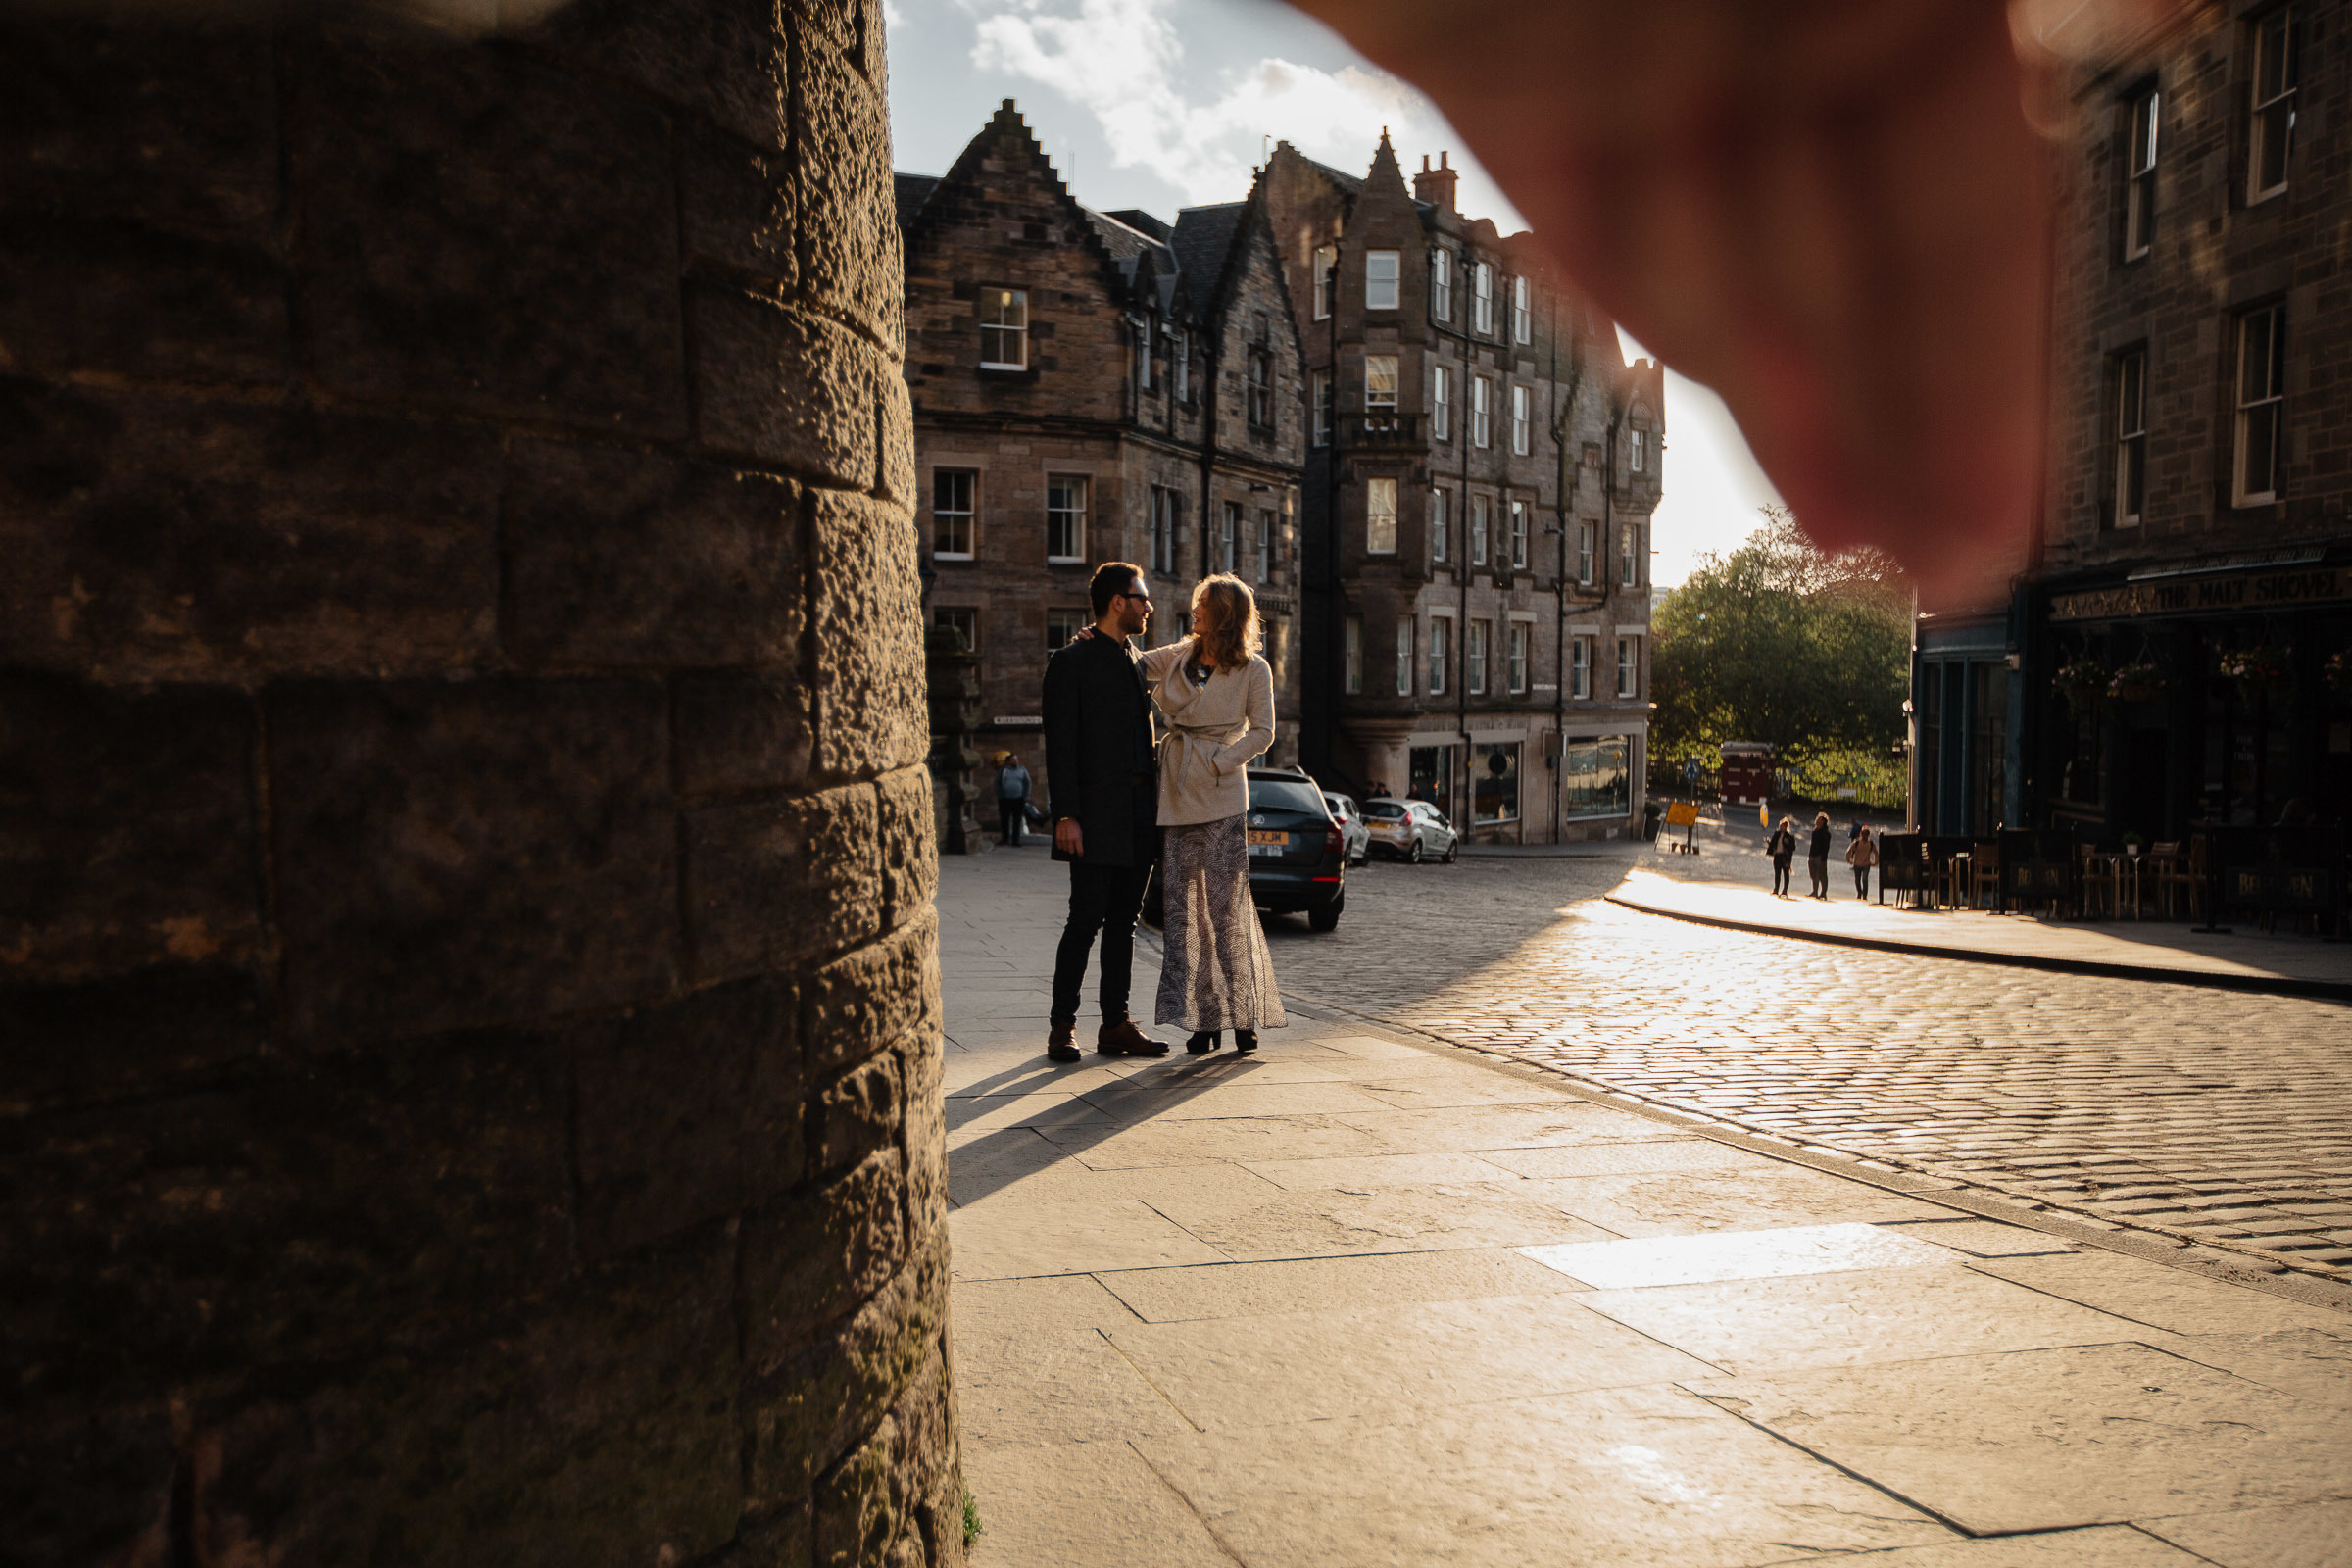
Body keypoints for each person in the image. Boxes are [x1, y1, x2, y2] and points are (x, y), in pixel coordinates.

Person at [1134, 574, 1286, 1056]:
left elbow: (1263, 732)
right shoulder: (1180, 654)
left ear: (1223, 613)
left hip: (1221, 795)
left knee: (1226, 910)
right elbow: (1132, 663)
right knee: (1184, 913)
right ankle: (1203, 1020)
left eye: (1201, 606)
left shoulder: (1254, 669)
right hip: (1176, 793)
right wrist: (1097, 636)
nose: (1192, 611)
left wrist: (1221, 760)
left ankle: (1243, 1015)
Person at [1040, 564, 1172, 1064]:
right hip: (1093, 815)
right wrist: (1066, 815)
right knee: (1085, 919)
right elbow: (1061, 746)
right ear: (1118, 601)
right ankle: (1062, 1026)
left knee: (1125, 922)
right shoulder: (1071, 661)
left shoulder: (1137, 660)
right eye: (1141, 598)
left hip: (1141, 810)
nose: (1148, 607)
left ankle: (1114, 1023)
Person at [994, 751, 1032, 847]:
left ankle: (1016, 840)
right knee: (1004, 819)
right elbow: (997, 783)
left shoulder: (1022, 770)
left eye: (1016, 759)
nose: (1015, 761)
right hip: (1005, 799)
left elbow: (1027, 783)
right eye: (1013, 759)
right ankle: (1005, 839)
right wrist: (1000, 795)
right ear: (1008, 761)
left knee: (1017, 820)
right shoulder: (1003, 771)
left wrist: (1025, 796)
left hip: (1018, 799)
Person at [1767, 816, 1796, 897]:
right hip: (1777, 855)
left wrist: (1787, 843)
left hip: (1785, 856)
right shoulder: (1777, 834)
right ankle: (1776, 889)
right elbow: (1773, 843)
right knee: (1777, 873)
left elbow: (1793, 848)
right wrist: (1769, 843)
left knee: (1786, 874)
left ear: (1786, 827)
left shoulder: (1789, 836)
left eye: (1782, 826)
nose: (1781, 827)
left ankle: (1784, 890)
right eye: (1780, 825)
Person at [1846, 821, 1877, 899]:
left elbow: (1876, 853)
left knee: (1865, 879)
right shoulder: (1856, 842)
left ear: (1868, 835)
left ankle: (1865, 895)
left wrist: (1875, 862)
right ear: (1861, 834)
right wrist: (1849, 860)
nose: (1864, 836)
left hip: (1866, 864)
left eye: (1866, 834)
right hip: (1857, 864)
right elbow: (1849, 851)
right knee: (1857, 880)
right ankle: (1859, 892)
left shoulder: (1871, 843)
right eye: (1863, 834)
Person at [1808, 811, 1834, 900]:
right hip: (1813, 855)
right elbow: (1812, 844)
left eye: (1819, 819)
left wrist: (1823, 857)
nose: (1817, 820)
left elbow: (1826, 847)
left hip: (1820, 856)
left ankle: (1823, 893)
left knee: (1822, 875)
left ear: (1823, 822)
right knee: (1813, 874)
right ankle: (1815, 891)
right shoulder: (1814, 831)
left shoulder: (1826, 833)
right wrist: (1810, 855)